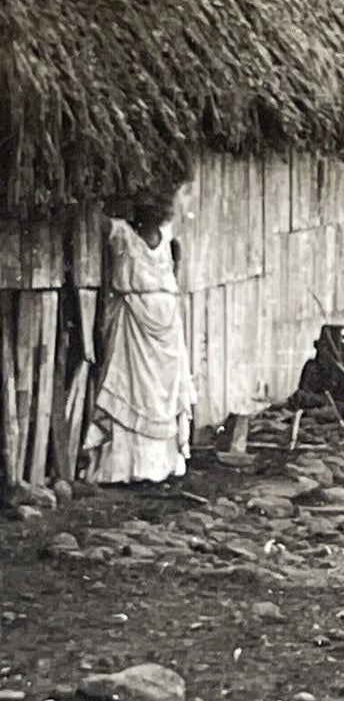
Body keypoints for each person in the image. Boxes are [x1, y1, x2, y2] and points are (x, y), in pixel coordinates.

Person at [83, 193, 196, 485]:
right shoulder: (139, 235)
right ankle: (137, 465)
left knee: (137, 385)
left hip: (148, 316)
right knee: (134, 385)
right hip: (152, 315)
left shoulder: (131, 234)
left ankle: (143, 465)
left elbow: (97, 215)